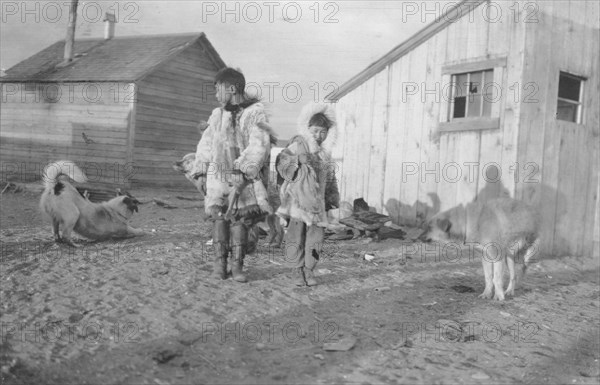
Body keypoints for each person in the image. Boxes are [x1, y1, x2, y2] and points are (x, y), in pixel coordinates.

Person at [192, 67, 274, 283]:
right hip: (219, 179)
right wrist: (200, 171)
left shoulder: (255, 113)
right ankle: (219, 265)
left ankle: (237, 266)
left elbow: (260, 144)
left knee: (240, 224)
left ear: (232, 88)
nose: (216, 94)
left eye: (218, 89)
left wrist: (242, 170)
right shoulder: (217, 115)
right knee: (219, 220)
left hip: (243, 181)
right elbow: (206, 144)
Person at [276, 102, 340, 286]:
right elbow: (282, 162)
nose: (319, 135)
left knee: (316, 238)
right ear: (308, 129)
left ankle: (309, 270)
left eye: (323, 132)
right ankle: (297, 270)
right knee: (296, 237)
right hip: (297, 202)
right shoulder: (298, 145)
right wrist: (297, 161)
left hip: (317, 205)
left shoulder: (325, 154)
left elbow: (330, 177)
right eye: (315, 131)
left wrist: (332, 197)